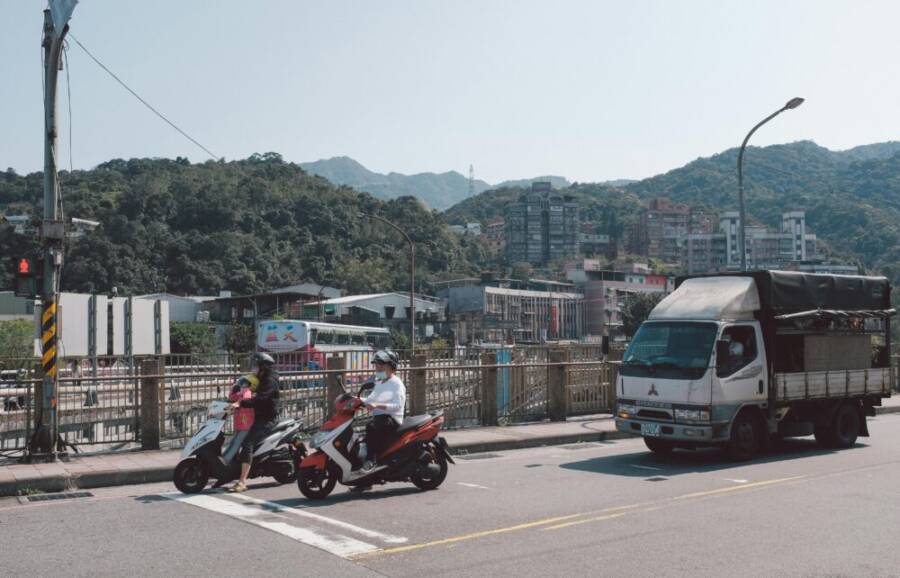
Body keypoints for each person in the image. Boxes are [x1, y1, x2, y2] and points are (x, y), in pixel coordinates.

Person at [228, 352, 280, 492]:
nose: (253, 368)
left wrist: (242, 403)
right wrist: (235, 395)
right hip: (255, 416)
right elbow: (246, 391)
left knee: (247, 443)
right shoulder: (258, 379)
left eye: (256, 365)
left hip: (267, 419)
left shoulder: (270, 381)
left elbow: (260, 399)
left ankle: (242, 482)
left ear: (263, 367)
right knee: (238, 439)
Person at [358, 349, 406, 473]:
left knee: (371, 426)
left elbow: (397, 405)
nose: (377, 367)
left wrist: (377, 405)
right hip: (380, 419)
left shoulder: (396, 383)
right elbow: (370, 399)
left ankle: (371, 461)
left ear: (391, 366)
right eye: (376, 364)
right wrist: (354, 400)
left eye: (381, 364)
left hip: (392, 419)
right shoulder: (379, 382)